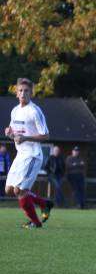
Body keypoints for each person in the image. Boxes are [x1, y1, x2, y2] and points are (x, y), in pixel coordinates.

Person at [4, 78, 53, 228]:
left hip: (32, 155)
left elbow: (46, 136)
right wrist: (9, 133)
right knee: (8, 189)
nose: (23, 93)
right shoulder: (15, 111)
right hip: (21, 155)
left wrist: (26, 138)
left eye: (26, 91)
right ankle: (44, 203)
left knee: (20, 190)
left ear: (31, 93)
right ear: (16, 93)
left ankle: (36, 223)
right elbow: (15, 133)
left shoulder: (34, 111)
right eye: (20, 90)